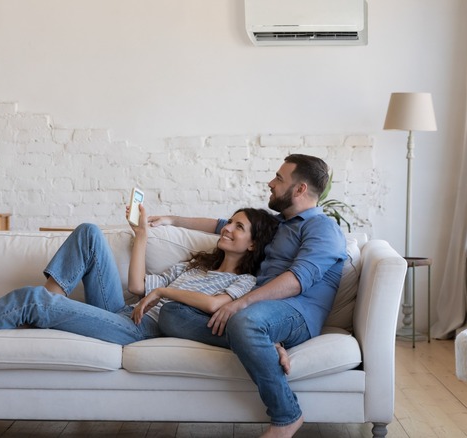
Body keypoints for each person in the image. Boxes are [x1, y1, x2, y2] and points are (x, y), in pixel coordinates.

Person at [148, 154, 347, 438]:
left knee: (246, 322)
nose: (271, 183)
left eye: (279, 178)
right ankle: (261, 343)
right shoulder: (279, 225)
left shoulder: (322, 228)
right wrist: (171, 218)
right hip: (261, 314)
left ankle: (287, 416)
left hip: (297, 312)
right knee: (172, 313)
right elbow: (221, 225)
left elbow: (297, 281)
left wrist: (242, 304)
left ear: (300, 189)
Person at [0, 205, 279, 347]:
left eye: (238, 228)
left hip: (144, 329)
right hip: (125, 311)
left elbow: (214, 306)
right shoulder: (197, 265)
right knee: (89, 232)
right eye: (229, 224)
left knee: (32, 301)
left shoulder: (243, 283)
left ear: (252, 245)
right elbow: (137, 288)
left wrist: (168, 295)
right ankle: (45, 306)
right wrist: (141, 236)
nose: (227, 229)